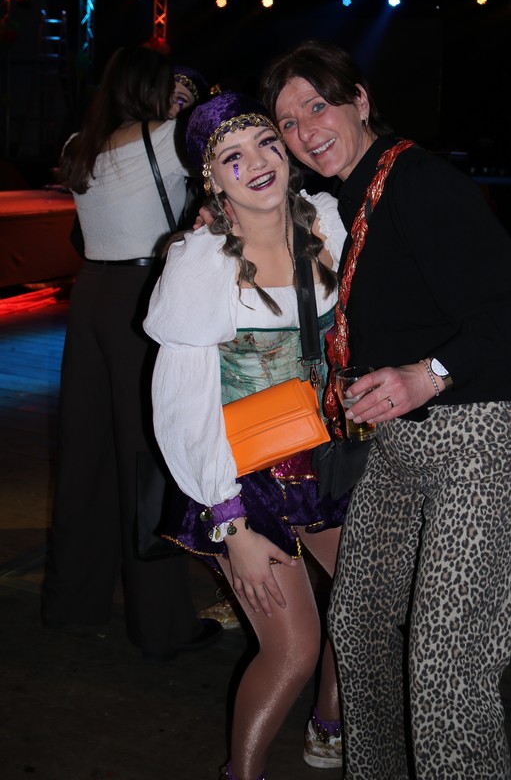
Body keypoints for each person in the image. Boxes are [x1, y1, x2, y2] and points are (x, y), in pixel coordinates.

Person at [258, 39, 511, 780]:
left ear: (359, 100)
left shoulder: (418, 182)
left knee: (449, 669)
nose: (305, 130)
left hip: (483, 433)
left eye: (317, 105)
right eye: (288, 122)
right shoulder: (347, 199)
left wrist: (430, 373)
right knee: (358, 627)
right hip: (398, 444)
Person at [143, 91, 350, 780]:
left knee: (370, 601)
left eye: (265, 142)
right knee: (292, 649)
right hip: (238, 475)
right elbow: (182, 406)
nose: (257, 162)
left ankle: (329, 723)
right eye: (232, 156)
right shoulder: (200, 264)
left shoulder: (326, 221)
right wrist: (231, 527)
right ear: (211, 180)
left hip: (324, 456)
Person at [41, 44, 222, 661]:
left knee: (86, 455)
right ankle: (161, 625)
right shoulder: (166, 139)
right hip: (140, 300)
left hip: (90, 296)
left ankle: (72, 602)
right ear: (152, 89)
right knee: (149, 459)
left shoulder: (79, 146)